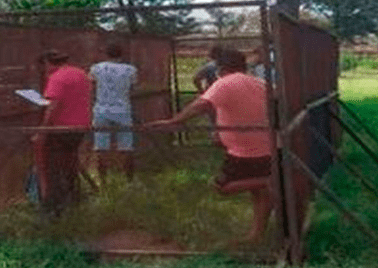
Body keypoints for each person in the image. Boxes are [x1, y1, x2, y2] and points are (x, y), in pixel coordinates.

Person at [145, 48, 273, 243]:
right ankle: (257, 234)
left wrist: (175, 121)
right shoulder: (260, 82)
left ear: (221, 68)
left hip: (243, 151)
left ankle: (271, 182)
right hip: (265, 145)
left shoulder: (224, 82)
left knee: (223, 187)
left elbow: (200, 105)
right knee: (258, 192)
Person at [32, 49, 91, 217]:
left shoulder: (57, 78)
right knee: (69, 162)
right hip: (80, 126)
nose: (44, 71)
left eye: (44, 67)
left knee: (52, 166)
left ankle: (53, 206)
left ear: (48, 63)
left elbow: (53, 107)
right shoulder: (81, 74)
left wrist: (42, 131)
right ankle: (74, 198)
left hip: (61, 127)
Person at [89, 42, 138, 184]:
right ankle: (129, 180)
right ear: (121, 54)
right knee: (126, 147)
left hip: (101, 109)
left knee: (101, 147)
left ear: (106, 53)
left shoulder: (96, 68)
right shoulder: (130, 70)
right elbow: (132, 88)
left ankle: (102, 181)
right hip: (123, 109)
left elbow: (91, 86)